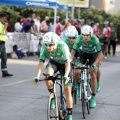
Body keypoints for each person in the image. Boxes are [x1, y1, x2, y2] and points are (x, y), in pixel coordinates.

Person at [33, 32, 73, 120]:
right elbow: (41, 62)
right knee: (47, 75)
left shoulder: (63, 46)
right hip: (54, 62)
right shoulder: (44, 47)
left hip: (65, 65)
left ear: (56, 42)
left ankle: (69, 115)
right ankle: (52, 95)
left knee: (67, 90)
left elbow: (67, 63)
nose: (48, 47)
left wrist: (66, 75)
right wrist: (37, 76)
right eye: (46, 44)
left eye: (50, 45)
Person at [71, 25, 103, 108]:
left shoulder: (95, 40)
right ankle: (78, 85)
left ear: (91, 35)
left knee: (93, 73)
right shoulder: (79, 38)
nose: (85, 37)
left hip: (93, 55)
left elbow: (100, 55)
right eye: (83, 35)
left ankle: (93, 97)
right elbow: (73, 52)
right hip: (83, 54)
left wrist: (95, 64)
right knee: (76, 71)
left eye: (87, 35)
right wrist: (70, 61)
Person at [0, 12, 13, 77]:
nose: (6, 18)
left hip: (2, 43)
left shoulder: (3, 24)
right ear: (2, 17)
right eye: (6, 17)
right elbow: (3, 32)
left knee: (4, 58)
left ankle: (4, 72)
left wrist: (5, 25)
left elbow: (4, 33)